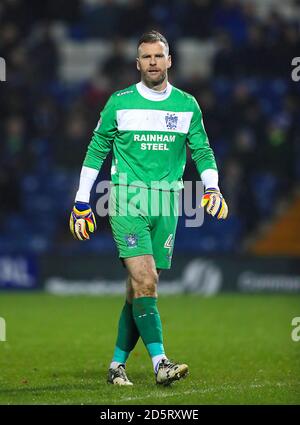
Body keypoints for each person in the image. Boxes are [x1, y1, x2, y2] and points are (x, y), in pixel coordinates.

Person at [70, 30, 228, 386]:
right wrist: (82, 201)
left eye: (159, 56)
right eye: (147, 57)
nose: (153, 62)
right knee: (146, 279)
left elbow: (202, 150)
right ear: (137, 62)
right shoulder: (119, 102)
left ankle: (116, 366)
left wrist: (213, 187)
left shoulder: (187, 105)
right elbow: (96, 151)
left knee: (137, 289)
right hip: (126, 198)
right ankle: (161, 364)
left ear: (169, 60)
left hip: (167, 201)